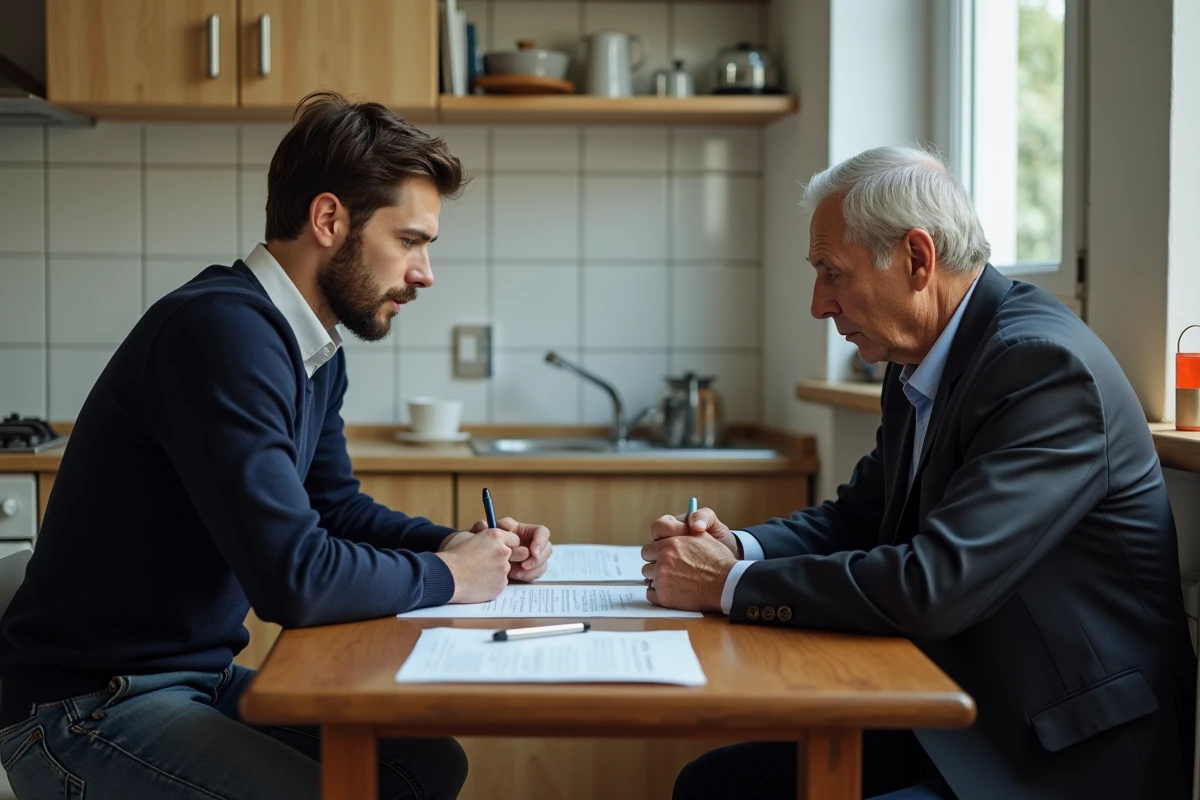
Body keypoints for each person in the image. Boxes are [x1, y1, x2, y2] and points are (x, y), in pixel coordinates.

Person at [0, 91, 554, 800]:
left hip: (188, 678)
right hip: (86, 709)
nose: (424, 273)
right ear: (329, 219)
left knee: (424, 764)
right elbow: (294, 580)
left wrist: (462, 545)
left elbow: (332, 511)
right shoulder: (223, 334)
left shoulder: (310, 348)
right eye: (410, 240)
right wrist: (453, 578)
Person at [645, 146, 1196, 800]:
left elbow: (935, 584)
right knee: (713, 786)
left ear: (916, 258)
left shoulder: (1044, 368)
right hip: (963, 710)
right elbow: (858, 517)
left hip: (1065, 751)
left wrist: (728, 584)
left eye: (832, 272)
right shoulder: (922, 361)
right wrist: (738, 547)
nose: (820, 303)